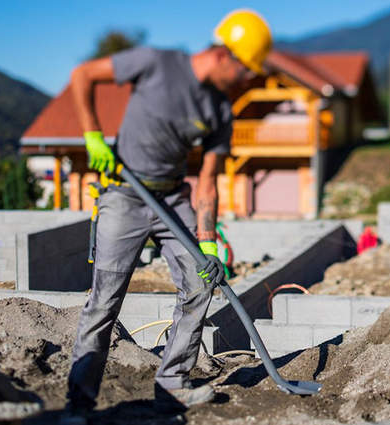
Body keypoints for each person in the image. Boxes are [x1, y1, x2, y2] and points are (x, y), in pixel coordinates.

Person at [62, 9, 272, 422]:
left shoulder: (220, 112)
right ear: (224, 55)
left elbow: (208, 181)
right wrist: (91, 134)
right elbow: (83, 74)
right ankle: (78, 403)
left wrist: (208, 242)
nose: (246, 80)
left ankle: (172, 384)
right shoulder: (157, 63)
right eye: (246, 71)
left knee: (199, 283)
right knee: (104, 301)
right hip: (125, 193)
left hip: (172, 199)